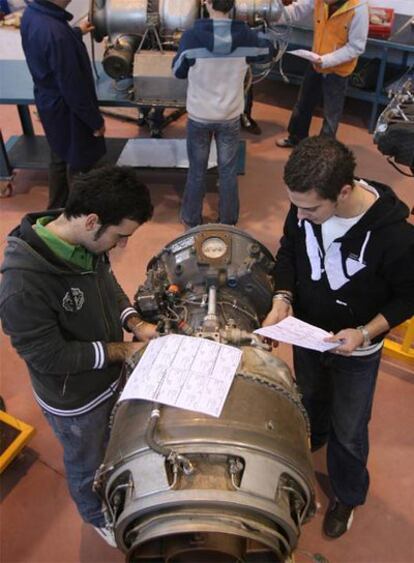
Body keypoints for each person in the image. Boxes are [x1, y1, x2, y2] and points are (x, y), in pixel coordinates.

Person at [263, 136, 414, 538]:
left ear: (344, 191)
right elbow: (289, 253)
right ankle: (317, 436)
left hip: (357, 349)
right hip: (309, 334)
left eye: (311, 207)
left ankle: (348, 495)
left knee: (350, 430)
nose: (299, 213)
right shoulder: (303, 210)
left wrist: (364, 332)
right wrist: (282, 298)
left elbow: (408, 295)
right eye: (295, 203)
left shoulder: (395, 236)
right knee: (311, 399)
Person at [0, 166, 158, 546]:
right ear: (92, 221)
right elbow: (49, 357)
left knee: (114, 441)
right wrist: (126, 351)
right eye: (120, 236)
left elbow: (106, 283)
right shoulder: (21, 286)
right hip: (75, 399)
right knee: (86, 462)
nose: (121, 247)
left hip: (105, 377)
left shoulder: (84, 243)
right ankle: (95, 514)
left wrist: (136, 323)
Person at [172, 0, 274, 228]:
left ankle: (191, 218)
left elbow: (178, 71)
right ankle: (228, 220)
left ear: (206, 2)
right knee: (227, 171)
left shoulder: (191, 37)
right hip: (229, 116)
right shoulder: (245, 35)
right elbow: (267, 52)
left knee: (197, 170)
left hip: (199, 116)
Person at [20, 0, 106, 208]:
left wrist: (75, 32)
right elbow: (73, 87)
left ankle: (55, 208)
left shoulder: (32, 15)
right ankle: (78, 214)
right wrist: (94, 122)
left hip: (49, 103)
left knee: (59, 154)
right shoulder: (55, 32)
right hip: (69, 110)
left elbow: (53, 51)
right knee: (81, 162)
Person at [275, 0, 369, 148]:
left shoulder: (359, 9)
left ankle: (323, 151)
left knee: (331, 113)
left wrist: (326, 60)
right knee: (303, 104)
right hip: (316, 62)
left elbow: (356, 47)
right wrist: (271, 15)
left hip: (338, 70)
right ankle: (296, 138)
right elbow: (296, 11)